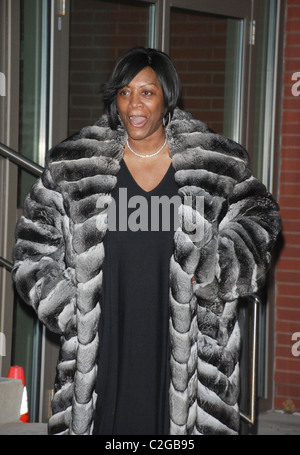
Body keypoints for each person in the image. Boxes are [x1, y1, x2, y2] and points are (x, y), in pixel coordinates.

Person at [12, 47, 281, 436]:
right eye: (124, 92)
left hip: (188, 347)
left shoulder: (212, 163)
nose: (133, 104)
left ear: (167, 97)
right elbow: (32, 249)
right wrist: (74, 310)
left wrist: (213, 270)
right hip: (106, 340)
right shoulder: (74, 166)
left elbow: (261, 218)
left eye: (147, 92)